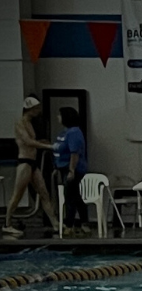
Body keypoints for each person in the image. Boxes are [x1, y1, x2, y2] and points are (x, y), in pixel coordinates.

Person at [3, 97, 57, 237]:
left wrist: (43, 142)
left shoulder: (30, 123)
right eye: (36, 108)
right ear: (29, 109)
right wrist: (48, 146)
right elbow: (28, 142)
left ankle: (56, 224)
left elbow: (33, 141)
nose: (38, 111)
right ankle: (7, 224)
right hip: (24, 162)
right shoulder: (20, 123)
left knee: (44, 193)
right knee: (17, 194)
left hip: (32, 162)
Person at [51, 107, 86, 236]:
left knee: (70, 197)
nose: (58, 117)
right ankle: (83, 223)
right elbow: (59, 151)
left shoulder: (74, 132)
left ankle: (70, 224)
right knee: (74, 196)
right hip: (62, 168)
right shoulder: (64, 133)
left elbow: (74, 153)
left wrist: (71, 170)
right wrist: (56, 167)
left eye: (60, 115)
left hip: (72, 169)